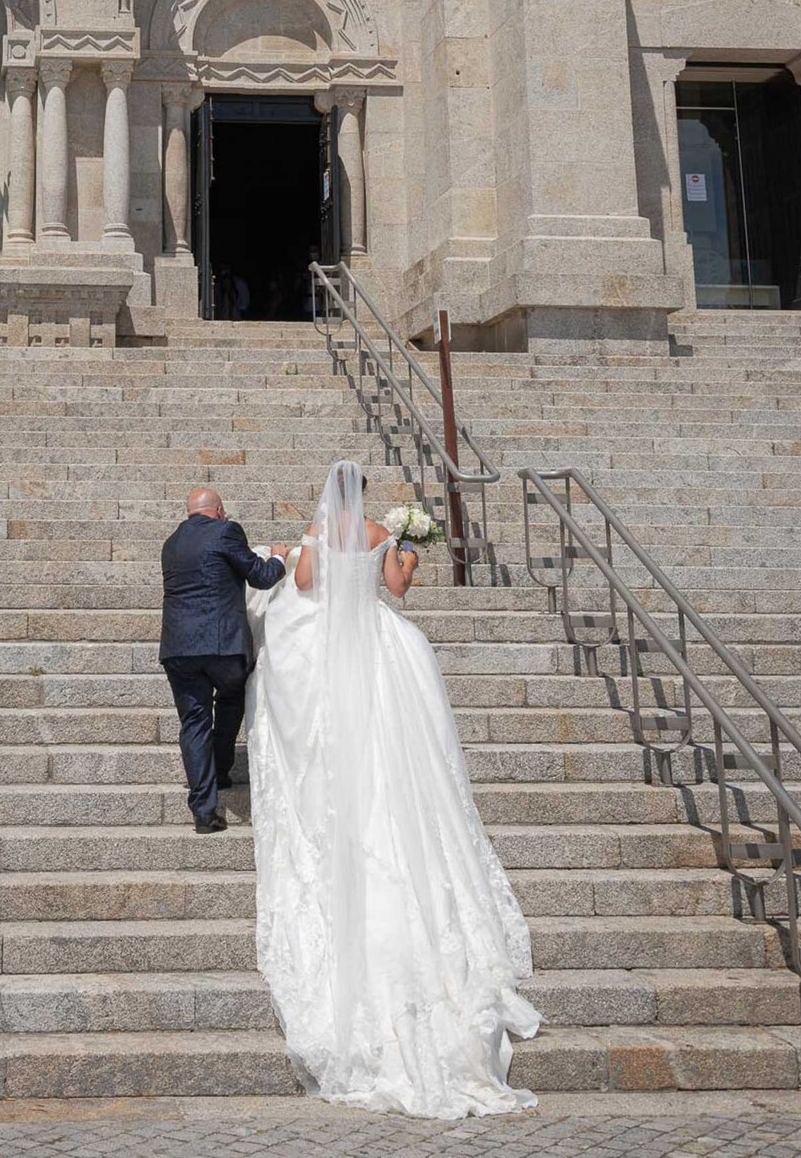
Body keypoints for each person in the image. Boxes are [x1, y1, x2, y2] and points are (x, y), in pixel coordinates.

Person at [245, 460, 541, 1119]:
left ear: (328, 496)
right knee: (396, 745)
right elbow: (398, 590)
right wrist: (409, 553)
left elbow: (305, 583)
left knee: (334, 743)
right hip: (377, 646)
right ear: (365, 497)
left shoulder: (318, 535)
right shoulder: (380, 532)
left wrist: (308, 549)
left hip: (331, 649)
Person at [159, 489, 289, 833]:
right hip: (223, 644)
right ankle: (219, 769)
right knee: (231, 700)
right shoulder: (226, 531)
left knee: (194, 722)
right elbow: (260, 577)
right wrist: (278, 558)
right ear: (218, 510)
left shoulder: (171, 544)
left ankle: (204, 810)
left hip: (178, 647)